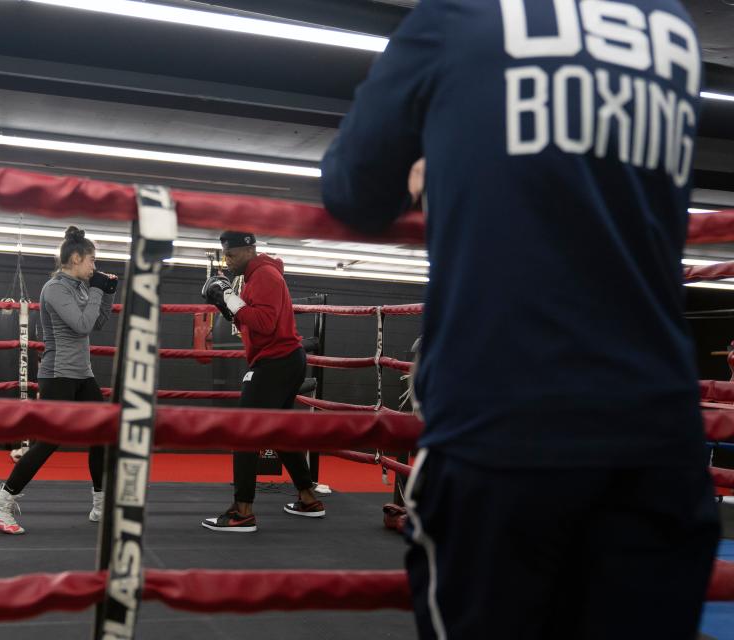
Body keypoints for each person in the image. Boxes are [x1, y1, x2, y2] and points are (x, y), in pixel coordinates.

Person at [321, 1, 719, 638]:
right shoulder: (672, 25)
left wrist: (439, 170)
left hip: (504, 431)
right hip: (659, 438)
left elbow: (353, 189)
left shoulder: (461, 12)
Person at [0, 226, 117, 535]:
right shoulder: (54, 289)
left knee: (104, 434)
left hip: (82, 375)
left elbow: (97, 322)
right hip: (58, 375)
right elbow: (81, 325)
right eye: (92, 261)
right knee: (50, 441)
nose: (95, 267)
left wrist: (106, 294)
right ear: (76, 258)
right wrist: (97, 289)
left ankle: (100, 504)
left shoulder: (81, 287)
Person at [199, 231, 323, 532]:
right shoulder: (257, 277)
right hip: (283, 359)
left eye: (233, 255)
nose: (228, 262)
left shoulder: (265, 275)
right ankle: (308, 497)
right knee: (278, 432)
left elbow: (265, 324)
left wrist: (228, 296)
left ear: (250, 250)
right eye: (225, 256)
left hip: (275, 360)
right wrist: (227, 303)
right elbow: (249, 319)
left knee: (244, 430)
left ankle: (242, 512)